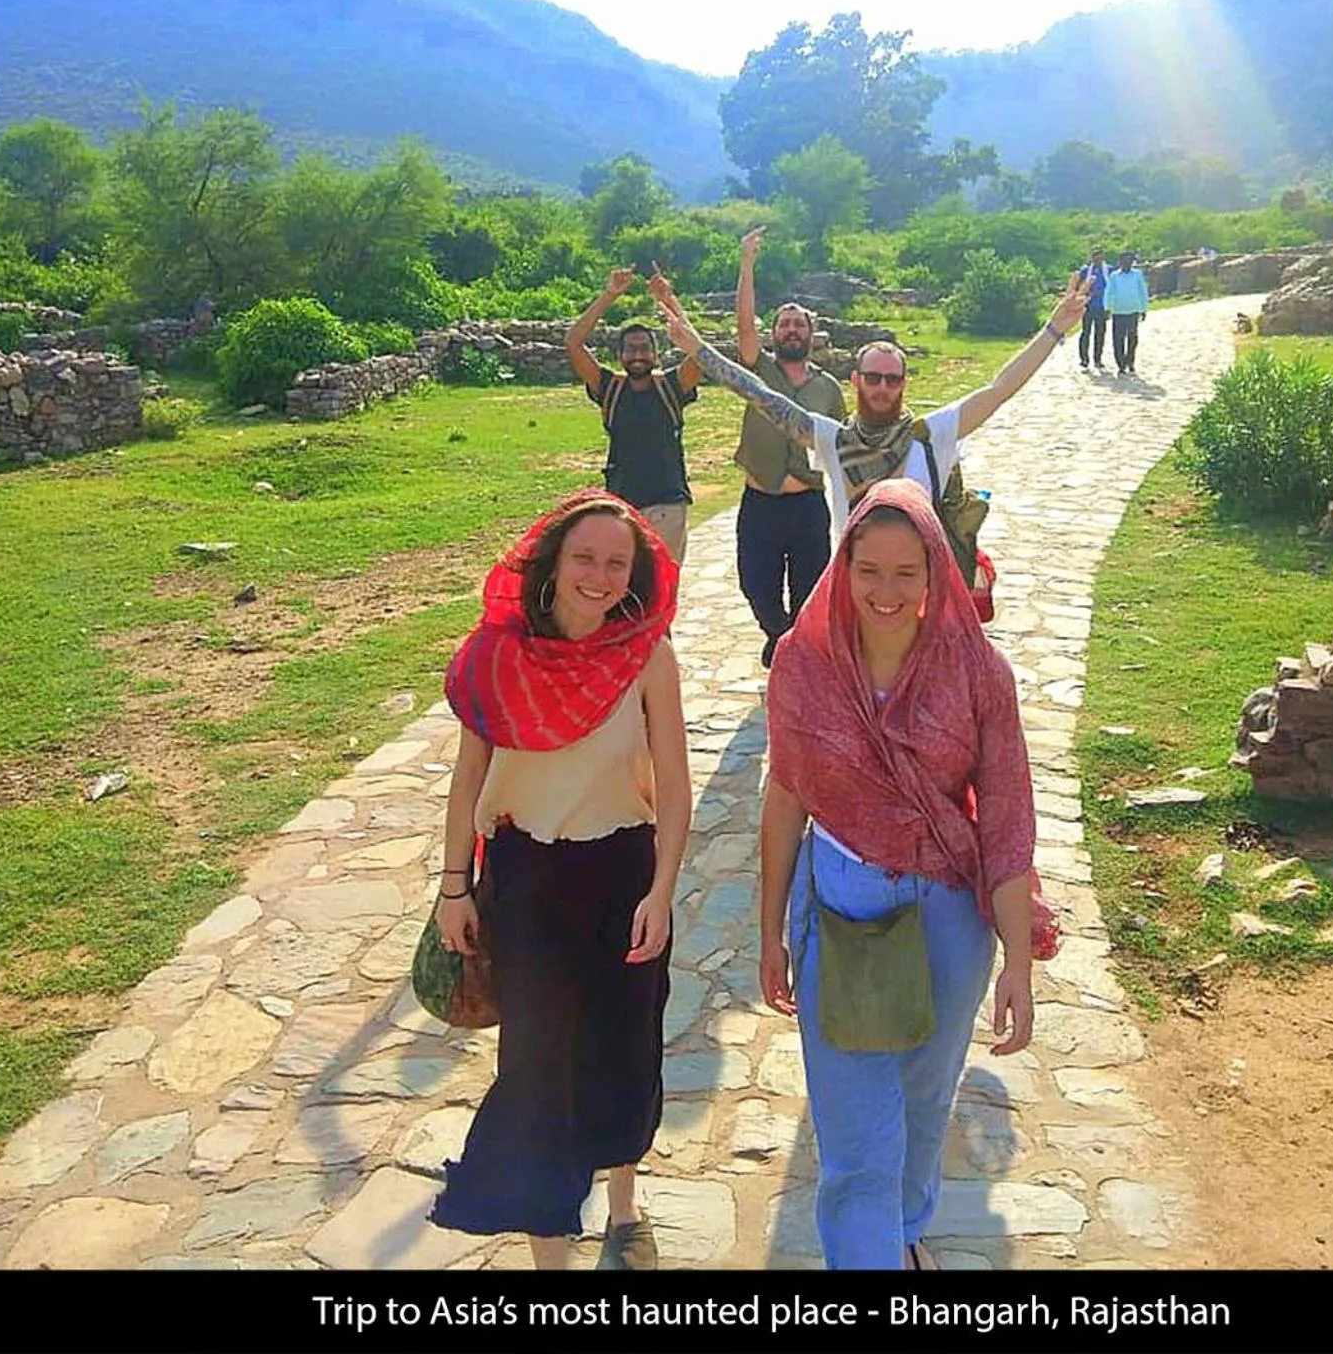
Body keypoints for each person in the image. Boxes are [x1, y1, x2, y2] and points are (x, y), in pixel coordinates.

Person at [756, 478, 1060, 1270]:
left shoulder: (979, 673)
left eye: (906, 573)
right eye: (868, 571)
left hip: (951, 917)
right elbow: (785, 798)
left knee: (926, 1103)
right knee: (857, 1136)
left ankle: (905, 1233)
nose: (885, 592)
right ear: (842, 567)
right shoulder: (805, 664)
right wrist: (769, 934)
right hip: (848, 910)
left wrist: (1019, 963)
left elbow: (1005, 820)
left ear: (936, 574)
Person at [429, 489, 692, 1272]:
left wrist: (663, 891)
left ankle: (623, 1207)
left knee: (624, 1048)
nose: (600, 575)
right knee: (536, 1068)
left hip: (623, 875)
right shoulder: (497, 654)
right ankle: (554, 1261)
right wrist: (452, 886)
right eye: (585, 556)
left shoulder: (648, 655)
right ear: (550, 561)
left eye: (617, 563)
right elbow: (467, 775)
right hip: (528, 879)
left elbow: (675, 787)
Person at [657, 271, 1089, 546]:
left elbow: (999, 389)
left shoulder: (930, 435)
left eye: (892, 379)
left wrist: (1055, 327)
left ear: (903, 384)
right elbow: (756, 392)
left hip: (922, 596)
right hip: (851, 596)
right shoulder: (832, 439)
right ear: (856, 381)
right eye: (874, 378)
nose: (883, 387)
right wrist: (696, 346)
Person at [732, 227, 846, 667]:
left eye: (799, 324)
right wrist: (747, 264)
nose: (792, 329)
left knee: (810, 589)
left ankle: (794, 653)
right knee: (755, 586)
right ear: (774, 333)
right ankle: (778, 635)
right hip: (760, 501)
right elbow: (744, 327)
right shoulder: (758, 371)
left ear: (811, 334)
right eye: (784, 323)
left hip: (807, 507)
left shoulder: (829, 388)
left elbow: (838, 444)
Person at [565, 267, 702, 564]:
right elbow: (573, 343)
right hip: (620, 505)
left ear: (656, 355)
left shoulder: (671, 387)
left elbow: (699, 353)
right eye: (630, 349)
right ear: (620, 356)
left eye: (644, 349)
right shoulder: (609, 388)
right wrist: (609, 294)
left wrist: (669, 300)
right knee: (623, 587)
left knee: (662, 590)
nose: (638, 355)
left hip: (667, 504)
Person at [1104, 251, 1150, 376]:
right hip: (1118, 311)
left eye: (1130, 261)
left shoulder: (1137, 275)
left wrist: (1143, 309)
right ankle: (1120, 364)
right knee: (1118, 339)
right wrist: (1107, 308)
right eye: (1125, 261)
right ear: (1120, 262)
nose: (1127, 263)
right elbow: (1109, 292)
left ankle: (1130, 361)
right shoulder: (1114, 276)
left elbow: (1142, 291)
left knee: (1132, 338)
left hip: (1133, 311)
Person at [1075, 247, 1110, 371]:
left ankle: (1098, 359)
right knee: (1086, 333)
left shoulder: (1108, 270)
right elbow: (1077, 287)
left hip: (1102, 307)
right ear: (1092, 258)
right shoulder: (1085, 271)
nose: (1098, 259)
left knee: (1100, 334)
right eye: (1096, 257)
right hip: (1088, 306)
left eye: (1101, 257)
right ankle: (1084, 359)